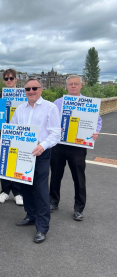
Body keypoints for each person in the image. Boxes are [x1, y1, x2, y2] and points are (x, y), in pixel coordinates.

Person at [7, 78, 61, 243]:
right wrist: (5, 139)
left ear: (41, 89)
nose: (31, 91)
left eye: (34, 88)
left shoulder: (50, 108)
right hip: (22, 153)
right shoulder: (20, 109)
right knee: (25, 187)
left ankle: (42, 227)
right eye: (28, 89)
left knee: (41, 189)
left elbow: (56, 133)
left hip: (40, 152)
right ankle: (31, 215)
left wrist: (43, 146)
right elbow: (13, 127)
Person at [49, 75, 102, 221]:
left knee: (79, 178)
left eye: (76, 84)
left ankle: (79, 208)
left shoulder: (89, 103)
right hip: (59, 145)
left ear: (81, 85)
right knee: (55, 175)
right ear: (66, 86)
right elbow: (49, 120)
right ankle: (53, 202)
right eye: (70, 84)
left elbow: (98, 121)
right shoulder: (58, 103)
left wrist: (94, 132)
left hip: (78, 146)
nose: (73, 86)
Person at [0, 68, 23, 206]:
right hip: (3, 133)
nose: (9, 81)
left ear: (16, 79)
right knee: (4, 162)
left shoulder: (25, 94)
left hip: (20, 134)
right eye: (6, 79)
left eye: (11, 78)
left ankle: (18, 192)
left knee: (17, 162)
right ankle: (5, 191)